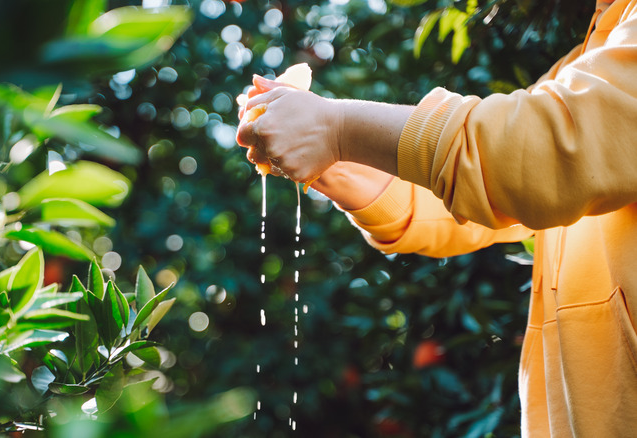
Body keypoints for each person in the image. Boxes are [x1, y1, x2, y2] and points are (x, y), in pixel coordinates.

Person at [236, 0, 637, 435]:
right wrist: (332, 158)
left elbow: (543, 151)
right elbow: (478, 187)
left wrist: (336, 129)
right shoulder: (593, 50)